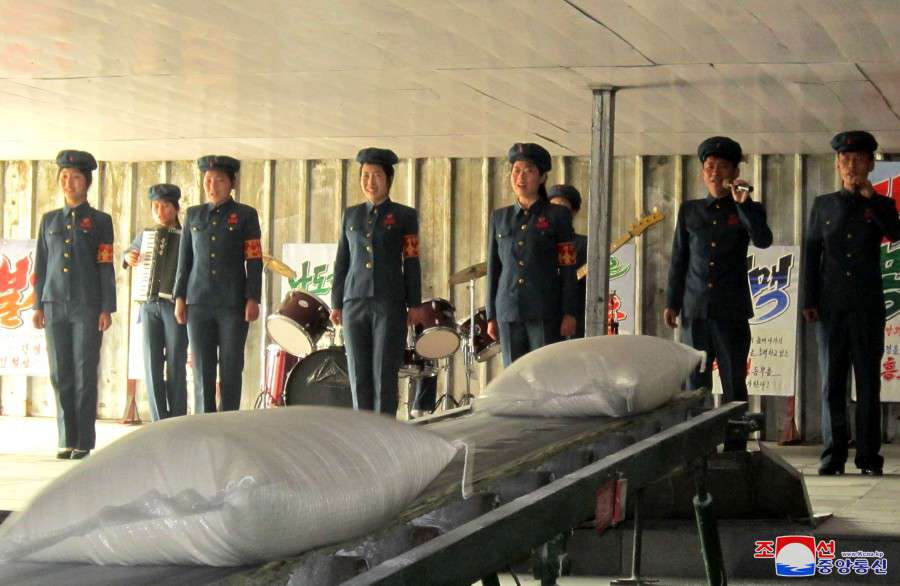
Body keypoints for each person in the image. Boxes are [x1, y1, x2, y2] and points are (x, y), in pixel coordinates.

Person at [664, 136, 772, 451]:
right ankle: (699, 447)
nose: (714, 172)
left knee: (733, 380)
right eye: (709, 166)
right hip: (695, 310)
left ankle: (736, 446)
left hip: (731, 311)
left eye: (722, 166)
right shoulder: (689, 210)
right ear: (702, 173)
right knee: (695, 383)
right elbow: (679, 259)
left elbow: (763, 239)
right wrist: (672, 302)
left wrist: (743, 203)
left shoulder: (747, 208)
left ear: (734, 172)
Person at [803, 131, 900, 476]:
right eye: (845, 159)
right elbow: (811, 252)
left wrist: (870, 199)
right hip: (830, 307)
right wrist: (809, 299)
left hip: (867, 306)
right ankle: (833, 455)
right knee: (832, 383)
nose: (851, 165)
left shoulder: (882, 204)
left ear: (871, 164)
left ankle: (869, 458)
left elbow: (895, 233)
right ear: (837, 164)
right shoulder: (823, 204)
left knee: (868, 382)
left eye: (859, 159)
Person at [32, 150, 115, 459]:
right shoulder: (49, 220)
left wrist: (106, 307)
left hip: (87, 306)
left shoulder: (100, 221)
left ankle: (83, 441)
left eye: (76, 177)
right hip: (53, 303)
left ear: (87, 182)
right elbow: (41, 265)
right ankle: (66, 438)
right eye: (64, 177)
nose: (69, 182)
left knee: (84, 371)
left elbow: (105, 265)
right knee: (60, 372)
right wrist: (38, 304)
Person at [331, 148, 423, 417]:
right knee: (358, 375)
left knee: (384, 374)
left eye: (377, 176)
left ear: (389, 179)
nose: (370, 182)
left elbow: (412, 260)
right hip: (354, 302)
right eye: (365, 175)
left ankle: (385, 430)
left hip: (389, 302)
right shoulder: (350, 215)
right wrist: (336, 302)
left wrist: (414, 303)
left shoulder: (404, 216)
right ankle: (363, 432)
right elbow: (342, 260)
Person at [174, 156, 262, 412]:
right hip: (198, 302)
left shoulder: (245, 215)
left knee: (231, 366)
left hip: (233, 304)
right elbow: (184, 260)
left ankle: (228, 420)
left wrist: (253, 297)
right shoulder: (193, 215)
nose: (212, 186)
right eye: (208, 180)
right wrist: (179, 297)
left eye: (219, 180)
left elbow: (254, 259)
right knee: (202, 368)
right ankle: (204, 421)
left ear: (232, 183)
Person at [486, 143, 578, 366]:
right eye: (516, 170)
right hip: (508, 310)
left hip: (544, 310)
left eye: (529, 171)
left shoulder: (557, 215)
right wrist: (491, 315)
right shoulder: (499, 217)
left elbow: (568, 267)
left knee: (544, 372)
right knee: (513, 375)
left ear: (542, 177)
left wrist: (569, 312)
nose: (521, 177)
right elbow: (493, 268)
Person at [123, 184, 188, 421]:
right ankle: (158, 418)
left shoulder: (186, 236)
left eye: (165, 206)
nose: (160, 211)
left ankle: (177, 416)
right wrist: (128, 257)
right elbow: (128, 254)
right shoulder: (145, 235)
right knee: (151, 363)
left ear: (176, 208)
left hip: (174, 306)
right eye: (156, 206)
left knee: (176, 362)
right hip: (148, 305)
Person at [549, 184, 587, 338]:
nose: (556, 212)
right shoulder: (538, 243)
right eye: (552, 207)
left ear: (574, 212)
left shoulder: (584, 244)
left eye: (562, 208)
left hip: (574, 318)